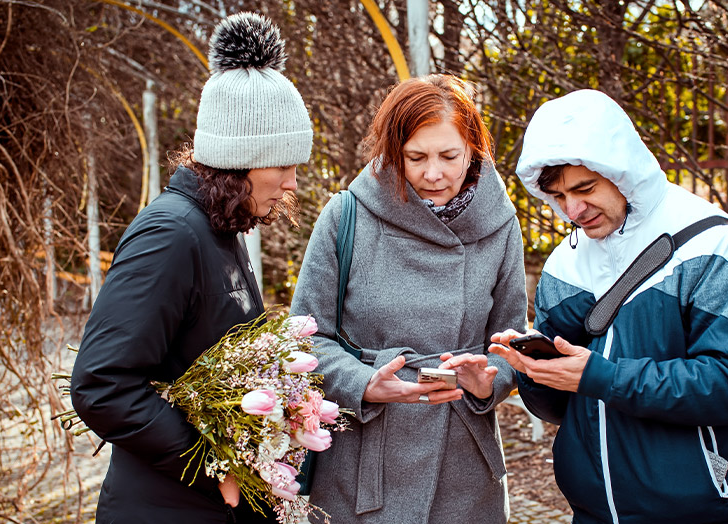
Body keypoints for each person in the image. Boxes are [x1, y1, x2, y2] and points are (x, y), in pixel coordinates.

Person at [489, 89, 728, 523]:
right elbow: (559, 409)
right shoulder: (565, 261)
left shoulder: (712, 243)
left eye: (585, 189)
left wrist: (602, 376)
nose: (574, 210)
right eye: (560, 197)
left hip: (699, 510)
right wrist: (534, 371)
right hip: (592, 510)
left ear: (623, 173)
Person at [70, 13, 311, 523]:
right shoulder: (171, 235)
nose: (292, 184)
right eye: (284, 165)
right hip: (165, 508)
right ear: (240, 158)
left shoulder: (218, 230)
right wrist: (214, 465)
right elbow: (102, 384)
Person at [289, 74, 527, 523]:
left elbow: (510, 343)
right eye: (415, 157)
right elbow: (304, 337)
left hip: (464, 470)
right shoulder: (347, 215)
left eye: (449, 156)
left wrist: (488, 381)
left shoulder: (500, 224)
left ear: (474, 148)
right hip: (363, 462)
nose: (433, 173)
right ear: (392, 151)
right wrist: (361, 382)